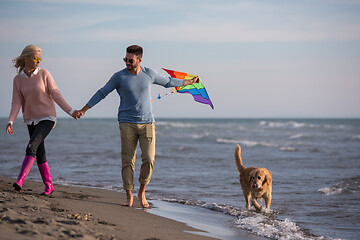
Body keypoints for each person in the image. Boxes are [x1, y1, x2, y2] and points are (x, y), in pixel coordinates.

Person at [77, 45, 198, 208]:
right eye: (125, 59)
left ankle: (141, 191)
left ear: (139, 60)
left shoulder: (149, 74)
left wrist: (189, 82)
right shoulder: (119, 77)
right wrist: (84, 109)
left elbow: (169, 82)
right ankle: (129, 195)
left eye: (130, 60)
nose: (127, 62)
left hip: (147, 123)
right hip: (126, 123)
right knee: (128, 161)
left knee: (149, 159)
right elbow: (102, 92)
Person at [6, 45, 79, 195]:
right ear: (26, 59)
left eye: (40, 58)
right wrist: (10, 121)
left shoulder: (44, 74)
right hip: (31, 120)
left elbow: (56, 94)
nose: (39, 61)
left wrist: (71, 111)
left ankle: (19, 181)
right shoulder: (18, 80)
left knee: (31, 147)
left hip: (47, 117)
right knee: (40, 153)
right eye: (35, 58)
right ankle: (49, 186)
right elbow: (16, 102)